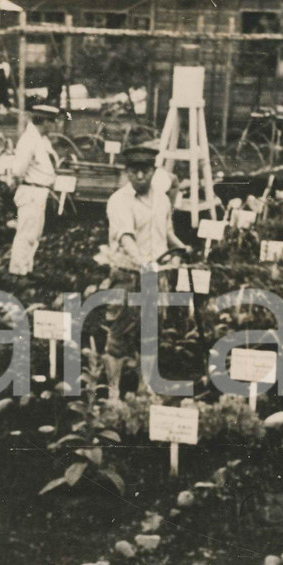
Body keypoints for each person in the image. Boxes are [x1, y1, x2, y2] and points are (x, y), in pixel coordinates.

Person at [100, 146, 190, 399]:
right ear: (127, 172)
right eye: (134, 171)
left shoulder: (162, 199)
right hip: (128, 275)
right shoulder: (119, 200)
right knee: (119, 333)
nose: (140, 176)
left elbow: (167, 232)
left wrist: (180, 248)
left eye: (145, 171)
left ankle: (144, 388)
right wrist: (142, 262)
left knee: (150, 333)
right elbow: (126, 237)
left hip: (156, 275)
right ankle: (114, 393)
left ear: (154, 171)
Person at [8, 104, 61, 278]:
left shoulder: (39, 139)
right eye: (52, 122)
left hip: (39, 192)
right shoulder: (29, 140)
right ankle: (18, 272)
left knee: (34, 234)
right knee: (26, 233)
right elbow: (17, 170)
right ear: (44, 121)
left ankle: (26, 269)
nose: (54, 126)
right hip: (31, 191)